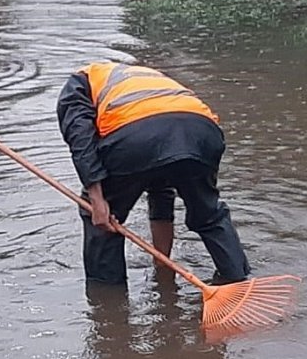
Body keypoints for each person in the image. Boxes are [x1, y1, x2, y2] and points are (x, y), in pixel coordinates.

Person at [56, 61, 251, 286]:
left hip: (136, 137)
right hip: (203, 134)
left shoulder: (78, 84)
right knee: (209, 214)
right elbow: (160, 187)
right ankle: (239, 283)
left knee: (102, 224)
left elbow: (81, 139)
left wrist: (96, 200)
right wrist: (162, 267)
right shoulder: (144, 77)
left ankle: (109, 305)